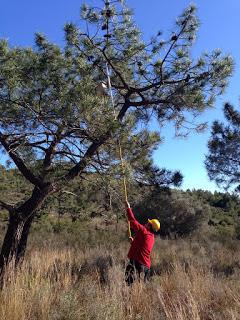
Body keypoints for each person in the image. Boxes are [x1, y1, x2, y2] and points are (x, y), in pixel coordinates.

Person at [125, 201, 160, 285]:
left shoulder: (144, 231)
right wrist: (133, 242)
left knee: (130, 285)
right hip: (145, 266)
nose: (146, 223)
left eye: (149, 223)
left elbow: (132, 221)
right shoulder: (151, 237)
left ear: (150, 226)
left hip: (138, 264)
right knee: (142, 289)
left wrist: (128, 208)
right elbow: (143, 247)